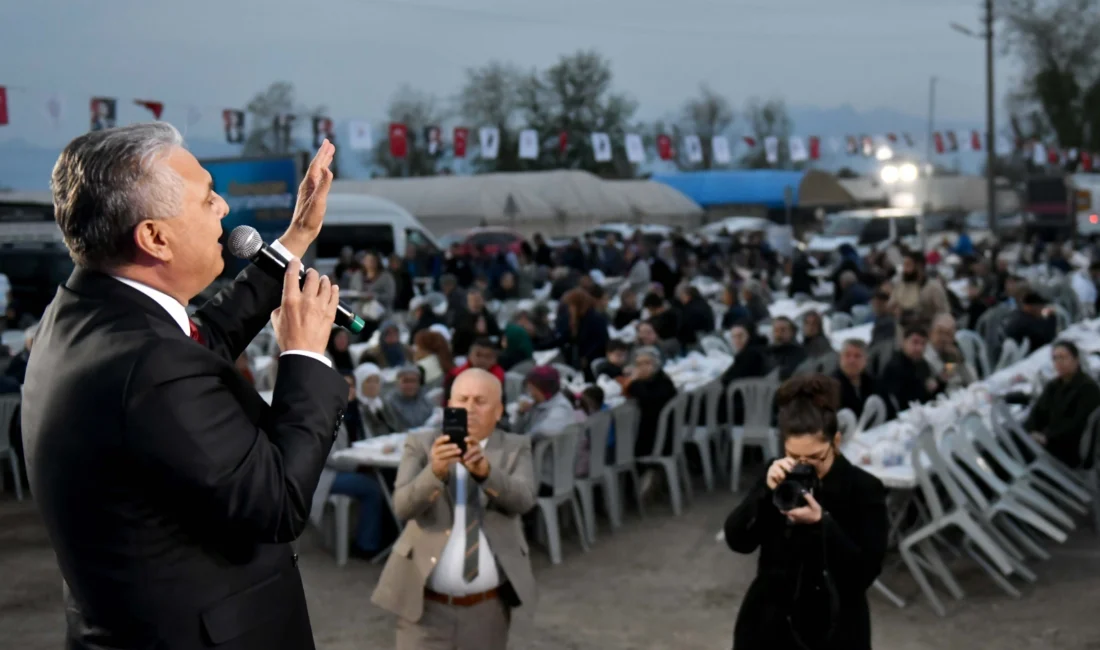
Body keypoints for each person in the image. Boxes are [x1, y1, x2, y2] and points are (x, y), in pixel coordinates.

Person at [22, 124, 348, 650]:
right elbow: (277, 501)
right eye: (206, 198)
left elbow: (199, 345)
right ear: (154, 237)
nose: (222, 207)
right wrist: (304, 355)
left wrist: (294, 241)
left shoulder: (86, 312)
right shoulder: (147, 364)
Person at [372, 368, 537, 650]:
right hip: (424, 608)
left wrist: (486, 474)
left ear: (498, 411)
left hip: (487, 610)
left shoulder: (515, 447)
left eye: (480, 401)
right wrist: (434, 473)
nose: (470, 409)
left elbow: (523, 501)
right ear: (449, 405)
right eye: (462, 400)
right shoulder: (422, 445)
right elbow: (401, 507)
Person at [723, 374, 888, 650]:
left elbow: (864, 574)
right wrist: (765, 494)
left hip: (835, 624)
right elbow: (737, 540)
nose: (804, 466)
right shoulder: (776, 475)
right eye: (794, 456)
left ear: (835, 441)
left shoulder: (864, 488)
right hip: (770, 622)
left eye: (814, 458)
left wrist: (823, 523)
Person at [1024, 340, 1100, 467]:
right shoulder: (1053, 386)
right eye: (1055, 359)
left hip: (1068, 446)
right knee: (1010, 437)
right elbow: (1037, 412)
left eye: (1063, 358)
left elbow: (1077, 424)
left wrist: (1047, 437)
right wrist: (1031, 431)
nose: (1059, 362)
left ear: (1076, 360)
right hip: (1047, 439)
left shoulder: (1088, 388)